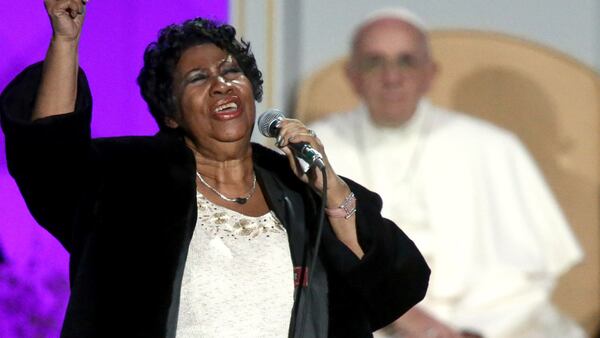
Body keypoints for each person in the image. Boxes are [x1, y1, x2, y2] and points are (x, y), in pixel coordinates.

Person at [0, 1, 430, 337]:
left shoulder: (299, 191)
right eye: (197, 78)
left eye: (230, 71)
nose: (222, 83)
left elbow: (398, 286)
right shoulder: (128, 181)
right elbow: (48, 158)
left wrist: (330, 188)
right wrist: (65, 40)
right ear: (171, 114)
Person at [308, 7, 585, 338]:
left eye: (406, 61)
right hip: (369, 322)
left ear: (431, 73)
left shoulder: (491, 146)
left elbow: (525, 276)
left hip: (488, 327)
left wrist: (466, 330)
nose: (391, 76)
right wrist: (404, 319)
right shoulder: (318, 148)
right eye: (374, 62)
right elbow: (313, 262)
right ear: (351, 75)